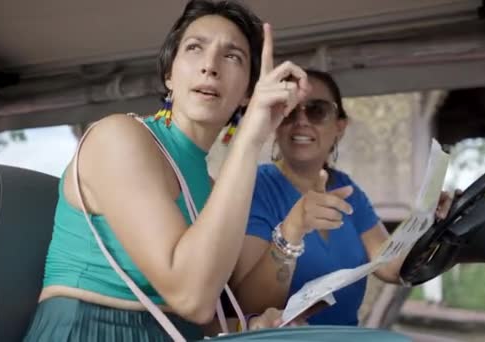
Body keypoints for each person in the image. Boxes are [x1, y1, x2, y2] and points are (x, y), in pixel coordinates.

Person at [23, 1, 312, 340]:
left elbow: (202, 314)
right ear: (169, 75)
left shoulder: (212, 185)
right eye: (194, 48)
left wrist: (249, 326)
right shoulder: (118, 137)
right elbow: (191, 296)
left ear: (248, 92)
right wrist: (250, 138)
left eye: (232, 56)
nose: (210, 66)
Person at [231, 69, 453, 326]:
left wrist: (431, 223)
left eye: (317, 110)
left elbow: (391, 267)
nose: (301, 120)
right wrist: (292, 229)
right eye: (290, 110)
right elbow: (249, 305)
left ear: (340, 127)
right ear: (276, 124)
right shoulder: (257, 186)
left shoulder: (349, 190)